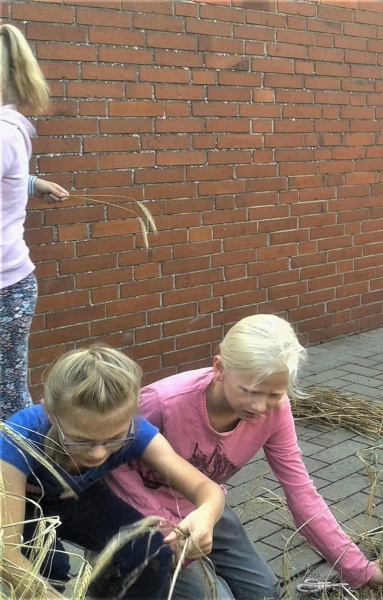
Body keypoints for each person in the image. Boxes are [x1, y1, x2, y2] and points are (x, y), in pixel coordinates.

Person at [106, 314, 383, 599]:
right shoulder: (162, 402)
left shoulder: (276, 413)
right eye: (250, 392)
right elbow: (111, 468)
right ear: (219, 368)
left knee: (264, 592)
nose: (260, 407)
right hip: (140, 513)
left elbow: (301, 492)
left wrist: (358, 569)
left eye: (274, 395)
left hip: (204, 505)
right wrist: (163, 526)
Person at [0, 345, 224, 599]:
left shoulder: (136, 432)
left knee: (152, 552)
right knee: (50, 566)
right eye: (80, 441)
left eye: (114, 439)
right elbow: (5, 553)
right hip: (20, 505)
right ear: (51, 415)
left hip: (77, 496)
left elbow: (205, 488)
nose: (98, 453)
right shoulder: (19, 438)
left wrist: (206, 514)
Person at [1, 23, 70, 420]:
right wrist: (30, 182)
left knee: (7, 401)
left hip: (5, 289)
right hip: (11, 283)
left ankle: (25, 459)